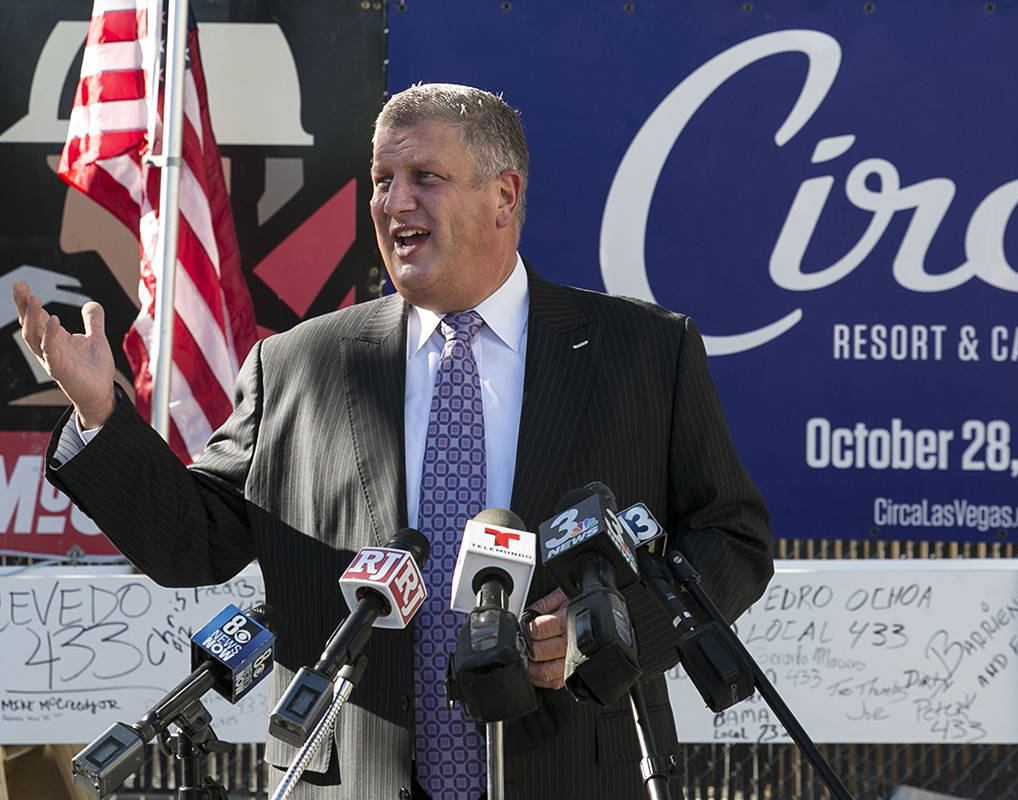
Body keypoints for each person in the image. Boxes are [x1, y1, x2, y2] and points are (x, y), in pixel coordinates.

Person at [12, 83, 772, 800]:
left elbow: (731, 538)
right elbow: (192, 542)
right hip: (351, 777)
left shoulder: (641, 349)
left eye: (425, 176)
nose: (393, 201)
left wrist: (612, 628)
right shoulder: (299, 364)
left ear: (504, 195)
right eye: (381, 179)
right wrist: (102, 417)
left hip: (579, 769)